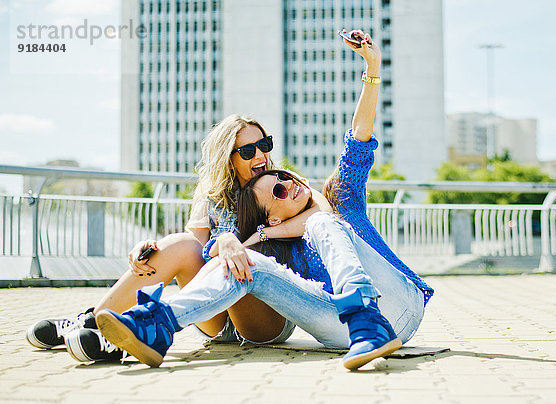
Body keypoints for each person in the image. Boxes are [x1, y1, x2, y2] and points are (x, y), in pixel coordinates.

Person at [94, 30, 434, 370]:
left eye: (286, 177)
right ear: (271, 219)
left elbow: (359, 138)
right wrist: (234, 242)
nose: (290, 184)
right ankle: (154, 324)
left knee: (320, 220)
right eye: (279, 191)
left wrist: (372, 68)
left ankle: (365, 314)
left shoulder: (339, 199)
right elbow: (199, 251)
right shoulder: (277, 245)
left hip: (400, 304)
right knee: (249, 265)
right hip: (341, 329)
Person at [25, 114, 330, 362]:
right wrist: (151, 251)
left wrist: (256, 236)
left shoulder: (283, 184)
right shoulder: (211, 194)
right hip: (215, 316)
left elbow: (323, 212)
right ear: (228, 158)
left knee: (243, 260)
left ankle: (136, 331)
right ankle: (95, 322)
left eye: (264, 144)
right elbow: (193, 249)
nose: (261, 155)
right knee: (177, 245)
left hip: (265, 315)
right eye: (248, 151)